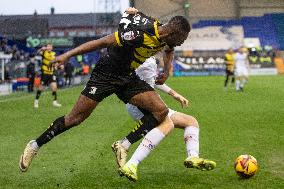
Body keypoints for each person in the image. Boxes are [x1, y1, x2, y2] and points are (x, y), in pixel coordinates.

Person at [19, 7, 191, 173]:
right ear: (173, 34)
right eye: (181, 39)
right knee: (75, 118)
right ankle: (34, 145)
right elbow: (102, 42)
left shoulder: (165, 34)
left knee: (160, 111)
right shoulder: (140, 33)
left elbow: (169, 50)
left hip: (127, 77)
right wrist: (67, 55)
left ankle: (123, 145)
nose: (181, 43)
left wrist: (167, 71)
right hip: (105, 74)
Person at [112, 57, 216, 181]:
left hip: (153, 102)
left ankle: (192, 157)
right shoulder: (143, 57)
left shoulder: (147, 55)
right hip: (141, 103)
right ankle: (131, 163)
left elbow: (152, 80)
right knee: (168, 125)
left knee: (190, 121)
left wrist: (174, 94)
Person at [34, 43, 62, 108]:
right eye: (48, 46)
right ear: (46, 47)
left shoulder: (54, 54)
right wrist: (41, 49)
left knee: (54, 87)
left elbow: (56, 62)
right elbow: (37, 53)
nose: (49, 47)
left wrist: (59, 66)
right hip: (45, 73)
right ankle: (36, 101)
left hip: (51, 73)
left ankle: (54, 101)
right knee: (41, 88)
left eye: (50, 46)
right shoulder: (44, 52)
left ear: (52, 48)